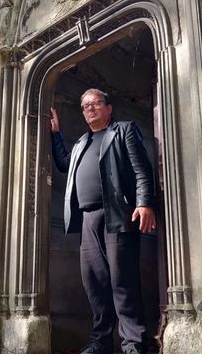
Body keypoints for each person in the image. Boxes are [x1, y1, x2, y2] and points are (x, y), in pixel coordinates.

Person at [50, 88, 156, 354]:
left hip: (118, 215)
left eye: (96, 103)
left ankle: (134, 344)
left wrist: (144, 203)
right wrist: (55, 134)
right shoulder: (80, 143)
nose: (90, 109)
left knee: (123, 281)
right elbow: (64, 164)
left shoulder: (124, 130)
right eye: (85, 106)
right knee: (94, 283)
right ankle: (101, 342)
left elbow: (142, 168)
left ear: (109, 108)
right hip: (87, 219)